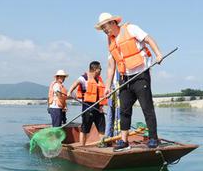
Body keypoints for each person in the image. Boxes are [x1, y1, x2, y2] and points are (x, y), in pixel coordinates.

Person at [95, 13, 164, 152]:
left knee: (147, 107)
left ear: (113, 23)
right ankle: (124, 141)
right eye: (102, 28)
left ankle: (153, 138)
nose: (104, 30)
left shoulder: (131, 29)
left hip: (140, 75)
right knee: (124, 110)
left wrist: (158, 54)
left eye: (105, 26)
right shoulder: (110, 40)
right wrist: (107, 86)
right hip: (124, 78)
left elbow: (148, 39)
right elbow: (111, 65)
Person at [68, 61, 107, 146]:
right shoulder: (84, 78)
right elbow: (75, 83)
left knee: (102, 127)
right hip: (88, 107)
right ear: (95, 69)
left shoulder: (99, 79)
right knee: (85, 128)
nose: (101, 70)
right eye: (100, 68)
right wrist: (69, 92)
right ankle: (82, 146)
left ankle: (103, 144)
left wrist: (101, 106)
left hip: (98, 108)